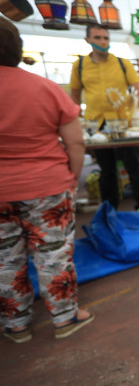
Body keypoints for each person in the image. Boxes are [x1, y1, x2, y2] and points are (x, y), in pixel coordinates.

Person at [0, 17, 94, 342]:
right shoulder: (44, 87)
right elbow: (76, 142)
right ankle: (66, 319)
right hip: (47, 186)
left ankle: (16, 325)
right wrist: (72, 178)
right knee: (53, 255)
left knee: (4, 260)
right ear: (18, 48)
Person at [69, 23, 139, 210]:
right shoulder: (79, 66)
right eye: (97, 38)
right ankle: (109, 209)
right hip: (96, 124)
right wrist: (76, 121)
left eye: (105, 38)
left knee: (133, 165)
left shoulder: (122, 64)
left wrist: (137, 115)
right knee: (107, 170)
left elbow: (138, 92)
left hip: (122, 122)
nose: (102, 42)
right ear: (87, 40)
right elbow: (74, 96)